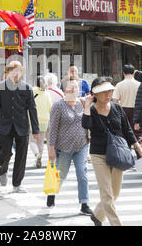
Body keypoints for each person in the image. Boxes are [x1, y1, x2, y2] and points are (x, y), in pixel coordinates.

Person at [82, 77, 142, 226]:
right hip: (99, 154)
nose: (108, 94)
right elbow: (85, 125)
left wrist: (139, 149)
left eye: (110, 91)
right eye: (104, 92)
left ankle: (97, 215)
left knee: (114, 193)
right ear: (95, 94)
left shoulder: (117, 108)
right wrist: (86, 106)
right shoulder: (90, 110)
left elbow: (127, 130)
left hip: (118, 153)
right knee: (106, 194)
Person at [0, 61, 40, 193]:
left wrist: (36, 130)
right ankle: (3, 171)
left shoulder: (27, 87)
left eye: (18, 70)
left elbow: (32, 109)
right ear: (8, 72)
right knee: (5, 153)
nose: (15, 73)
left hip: (22, 126)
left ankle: (17, 183)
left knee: (21, 155)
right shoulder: (1, 86)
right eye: (12, 70)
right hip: (5, 125)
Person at [47, 77, 91, 214]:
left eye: (76, 87)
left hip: (81, 145)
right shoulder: (58, 106)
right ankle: (52, 193)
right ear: (64, 90)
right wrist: (51, 149)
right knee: (61, 174)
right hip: (64, 147)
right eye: (71, 87)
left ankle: (84, 203)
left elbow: (88, 122)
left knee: (82, 174)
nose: (74, 90)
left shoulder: (82, 103)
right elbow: (53, 128)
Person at [112, 64, 142, 149]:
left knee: (124, 133)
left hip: (123, 111)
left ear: (123, 73)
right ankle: (141, 157)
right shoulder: (139, 84)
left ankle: (126, 155)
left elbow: (115, 100)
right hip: (137, 111)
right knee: (138, 134)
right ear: (133, 73)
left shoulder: (119, 85)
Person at [30, 76, 52, 168]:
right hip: (44, 121)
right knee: (41, 141)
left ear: (35, 83)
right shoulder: (46, 94)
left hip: (32, 120)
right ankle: (39, 157)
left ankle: (36, 154)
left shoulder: (31, 92)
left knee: (32, 140)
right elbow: (50, 108)